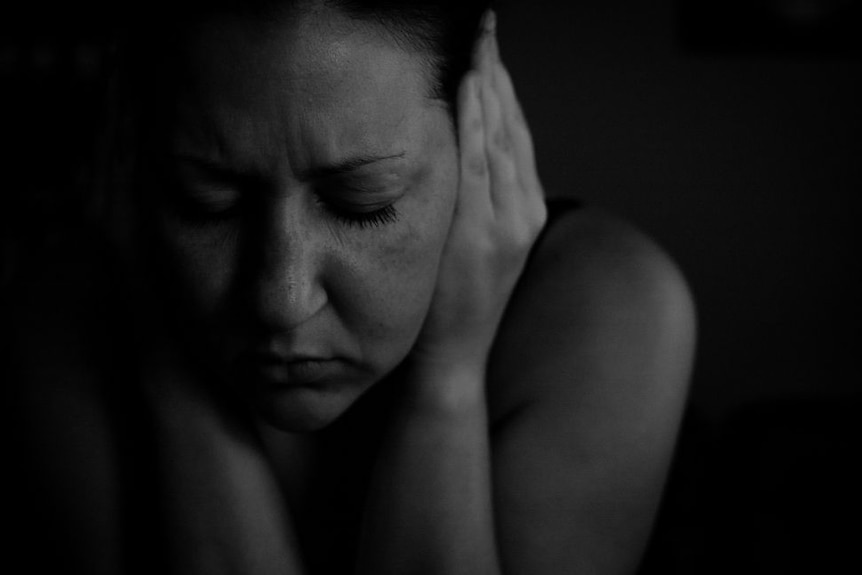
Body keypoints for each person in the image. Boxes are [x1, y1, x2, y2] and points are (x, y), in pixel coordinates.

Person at [6, 1, 696, 574]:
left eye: (362, 201)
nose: (280, 297)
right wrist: (172, 374)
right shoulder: (62, 314)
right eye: (205, 199)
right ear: (138, 156)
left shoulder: (610, 309)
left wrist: (446, 383)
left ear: (476, 129)